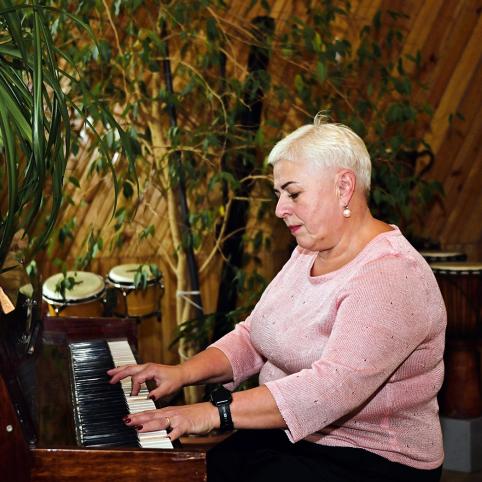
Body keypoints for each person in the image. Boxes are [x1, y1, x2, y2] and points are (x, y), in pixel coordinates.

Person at [108, 115, 446, 482]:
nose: (280, 209)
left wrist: (212, 413)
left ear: (343, 187)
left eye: (293, 193)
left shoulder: (390, 273)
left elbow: (330, 389)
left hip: (371, 459)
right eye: (278, 194)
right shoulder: (308, 251)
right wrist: (181, 373)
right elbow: (255, 335)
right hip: (292, 436)